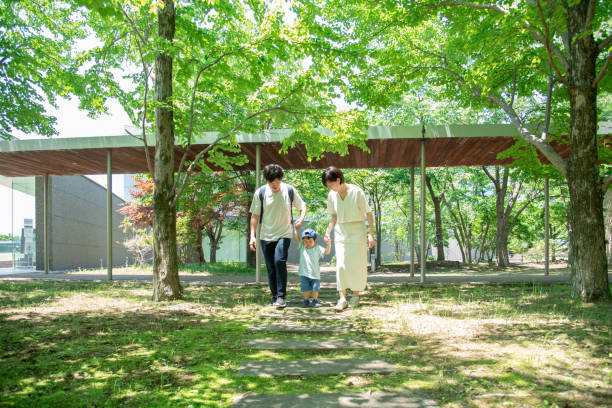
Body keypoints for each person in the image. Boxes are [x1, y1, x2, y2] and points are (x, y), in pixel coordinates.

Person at [250, 164, 306, 309]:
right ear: (267, 181)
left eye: (277, 182)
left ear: (281, 179)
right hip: (266, 235)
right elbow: (255, 216)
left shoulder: (289, 190)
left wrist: (301, 217)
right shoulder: (260, 192)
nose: (275, 185)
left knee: (279, 261)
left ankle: (281, 297)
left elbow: (302, 206)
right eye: (271, 182)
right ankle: (274, 296)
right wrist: (252, 236)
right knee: (270, 267)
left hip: (284, 233)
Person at [322, 166, 375, 312]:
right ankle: (342, 298)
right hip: (340, 231)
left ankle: (356, 296)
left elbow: (368, 213)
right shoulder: (332, 195)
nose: (330, 188)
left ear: (338, 180)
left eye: (331, 185)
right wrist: (328, 231)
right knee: (341, 265)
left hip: (357, 230)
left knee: (356, 264)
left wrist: (371, 233)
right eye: (328, 186)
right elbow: (334, 216)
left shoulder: (356, 191)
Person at [294, 227, 331, 308]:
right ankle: (306, 300)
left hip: (315, 274)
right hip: (304, 273)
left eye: (310, 241)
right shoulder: (302, 247)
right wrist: (296, 230)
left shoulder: (317, 248)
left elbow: (327, 252)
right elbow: (297, 238)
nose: (307, 243)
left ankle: (315, 300)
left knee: (315, 289)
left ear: (315, 241)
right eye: (305, 241)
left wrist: (329, 244)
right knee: (305, 288)